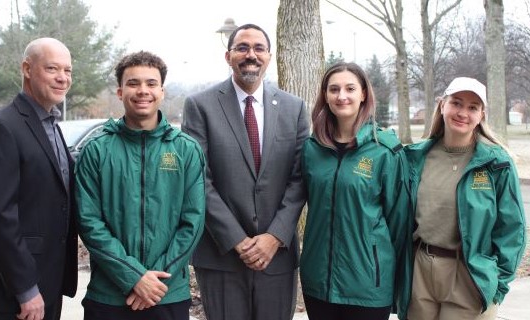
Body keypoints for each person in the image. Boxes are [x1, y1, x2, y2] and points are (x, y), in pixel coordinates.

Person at [181, 23, 310, 320]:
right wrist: (238, 240)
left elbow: (299, 178)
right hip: (221, 254)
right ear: (228, 56)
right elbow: (198, 180)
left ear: (269, 56)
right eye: (242, 48)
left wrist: (274, 237)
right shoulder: (200, 106)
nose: (250, 54)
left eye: (258, 48)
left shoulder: (294, 108)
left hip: (276, 257)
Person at [75, 50, 206, 320]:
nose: (142, 91)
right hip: (109, 295)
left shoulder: (186, 150)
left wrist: (154, 283)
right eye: (133, 83)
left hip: (166, 294)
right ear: (120, 92)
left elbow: (192, 222)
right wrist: (133, 277)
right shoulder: (97, 150)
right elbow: (89, 221)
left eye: (150, 83)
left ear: (162, 91)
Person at [400, 77, 527, 320]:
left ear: (481, 115)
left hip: (469, 274)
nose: (462, 113)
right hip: (420, 271)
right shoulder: (414, 158)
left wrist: (496, 283)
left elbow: (513, 229)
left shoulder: (496, 164)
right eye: (456, 103)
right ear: (442, 105)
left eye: (472, 107)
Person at [0, 37, 78, 320]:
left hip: (49, 281)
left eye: (67, 71)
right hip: (15, 291)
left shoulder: (52, 125)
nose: (62, 78)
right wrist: (26, 290)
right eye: (52, 68)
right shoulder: (1, 128)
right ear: (27, 69)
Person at [300, 62, 410, 320]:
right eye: (334, 89)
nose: (342, 96)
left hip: (368, 285)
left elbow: (400, 223)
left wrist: (393, 279)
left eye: (350, 88)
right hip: (318, 282)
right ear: (325, 96)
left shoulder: (385, 150)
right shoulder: (311, 149)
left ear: (363, 94)